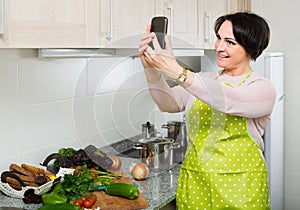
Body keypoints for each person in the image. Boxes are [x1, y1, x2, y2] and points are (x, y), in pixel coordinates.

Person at [138, 12, 276, 210]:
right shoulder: (203, 80)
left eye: (230, 42)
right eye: (219, 38)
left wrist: (177, 71)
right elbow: (167, 103)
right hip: (196, 182)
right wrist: (150, 69)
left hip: (241, 188)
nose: (219, 47)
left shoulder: (262, 89)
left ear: (250, 47)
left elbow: (228, 100)